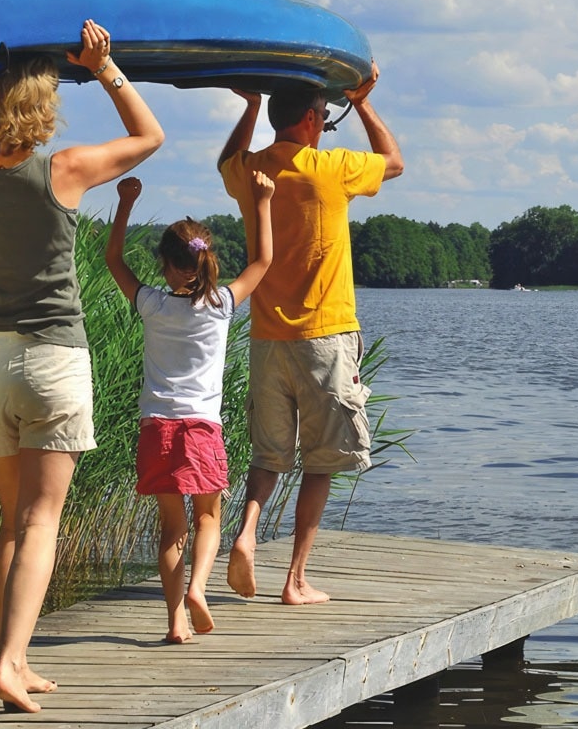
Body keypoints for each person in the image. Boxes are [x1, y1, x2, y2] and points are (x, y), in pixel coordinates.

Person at [0, 13, 164, 712]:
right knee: (39, 522)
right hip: (53, 359)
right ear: (42, 106)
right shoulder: (62, 169)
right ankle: (7, 663)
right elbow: (149, 137)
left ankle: (17, 659)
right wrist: (105, 68)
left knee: (13, 520)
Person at [216, 63, 404, 605]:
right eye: (324, 115)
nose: (325, 123)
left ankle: (247, 534)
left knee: (267, 455)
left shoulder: (252, 173)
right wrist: (363, 103)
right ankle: (295, 580)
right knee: (322, 461)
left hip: (268, 341)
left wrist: (249, 107)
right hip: (326, 338)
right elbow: (394, 162)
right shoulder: (330, 168)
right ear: (308, 120)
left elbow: (226, 161)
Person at [104, 173, 274, 643]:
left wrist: (124, 203)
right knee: (208, 519)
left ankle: (176, 621)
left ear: (164, 265)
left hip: (157, 427)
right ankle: (199, 588)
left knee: (170, 528)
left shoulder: (151, 304)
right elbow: (263, 259)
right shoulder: (220, 305)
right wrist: (260, 200)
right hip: (201, 428)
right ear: (205, 262)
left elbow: (112, 258)